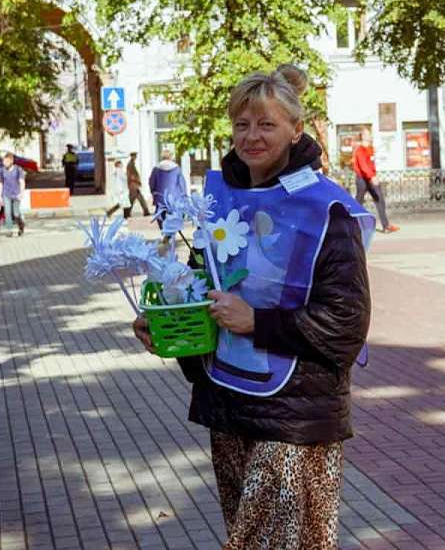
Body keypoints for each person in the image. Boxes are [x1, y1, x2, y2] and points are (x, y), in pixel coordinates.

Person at [132, 64, 375, 548]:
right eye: (242, 124)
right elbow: (200, 284)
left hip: (295, 413)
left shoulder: (327, 208)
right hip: (229, 403)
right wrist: (172, 323)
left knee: (264, 542)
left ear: (295, 130)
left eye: (266, 124)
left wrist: (257, 323)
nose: (251, 136)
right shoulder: (218, 201)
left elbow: (347, 323)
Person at [352, 127, 399, 233]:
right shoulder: (360, 150)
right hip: (362, 180)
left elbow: (371, 164)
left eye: (370, 134)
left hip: (371, 178)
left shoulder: (371, 148)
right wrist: (372, 176)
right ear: (363, 136)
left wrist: (373, 175)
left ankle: (386, 226)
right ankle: (352, 225)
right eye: (368, 134)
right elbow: (363, 166)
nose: (370, 136)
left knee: (380, 199)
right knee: (358, 202)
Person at [148, 149, 188, 226]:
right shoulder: (176, 168)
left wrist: (153, 191)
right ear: (170, 157)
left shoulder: (156, 168)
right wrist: (184, 195)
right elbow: (182, 183)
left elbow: (151, 181)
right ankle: (171, 232)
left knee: (160, 215)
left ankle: (164, 231)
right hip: (174, 197)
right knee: (175, 215)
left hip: (160, 196)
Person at [0, 153, 25, 237]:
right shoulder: (1, 170)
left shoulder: (18, 169)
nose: (4, 163)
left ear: (11, 161)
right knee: (7, 212)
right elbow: (0, 183)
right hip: (6, 194)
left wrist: (22, 193)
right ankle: (10, 230)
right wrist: (0, 195)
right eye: (3, 161)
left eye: (6, 161)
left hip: (16, 194)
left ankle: (21, 225)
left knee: (16, 214)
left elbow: (22, 182)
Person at [126, 152, 152, 216]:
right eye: (134, 156)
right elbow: (130, 175)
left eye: (136, 156)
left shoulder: (132, 164)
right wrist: (137, 181)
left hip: (134, 185)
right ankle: (126, 212)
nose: (135, 157)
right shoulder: (130, 164)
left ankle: (146, 211)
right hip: (133, 185)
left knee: (139, 198)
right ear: (132, 156)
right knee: (131, 200)